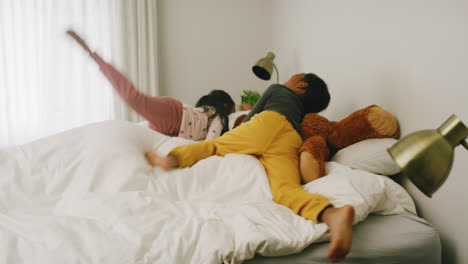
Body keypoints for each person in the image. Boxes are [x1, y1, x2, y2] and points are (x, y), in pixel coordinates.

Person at [145, 73, 355, 262]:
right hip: (290, 138)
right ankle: (331, 215)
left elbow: (252, 116)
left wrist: (239, 130)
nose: (288, 80)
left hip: (267, 123)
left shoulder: (277, 89)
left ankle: (171, 160)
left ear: (301, 85)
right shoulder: (299, 114)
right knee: (285, 190)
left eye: (293, 77)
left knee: (215, 145)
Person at [67, 30, 236, 140]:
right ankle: (94, 55)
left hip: (170, 130)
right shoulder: (221, 116)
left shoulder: (207, 112)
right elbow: (211, 143)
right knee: (134, 99)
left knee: (144, 150)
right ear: (226, 105)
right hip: (174, 115)